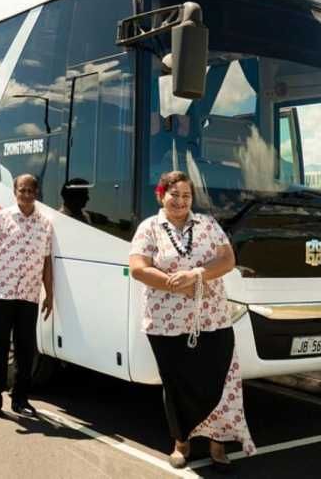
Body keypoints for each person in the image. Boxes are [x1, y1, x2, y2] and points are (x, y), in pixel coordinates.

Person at [128, 171, 255, 470]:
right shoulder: (150, 228)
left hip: (213, 320)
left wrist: (196, 275)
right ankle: (181, 443)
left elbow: (227, 260)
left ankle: (217, 443)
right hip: (166, 325)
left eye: (186, 196)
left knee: (218, 381)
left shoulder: (208, 225)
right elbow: (137, 267)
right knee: (177, 385)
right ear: (161, 195)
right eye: (174, 195)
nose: (181, 201)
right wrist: (176, 284)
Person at [0, 174, 54, 420]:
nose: (27, 194)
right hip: (2, 292)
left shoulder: (45, 223)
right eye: (23, 190)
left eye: (31, 190)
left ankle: (20, 399)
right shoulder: (1, 218)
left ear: (37, 192)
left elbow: (46, 261)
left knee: (25, 350)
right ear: (15, 191)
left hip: (29, 295)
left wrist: (49, 293)